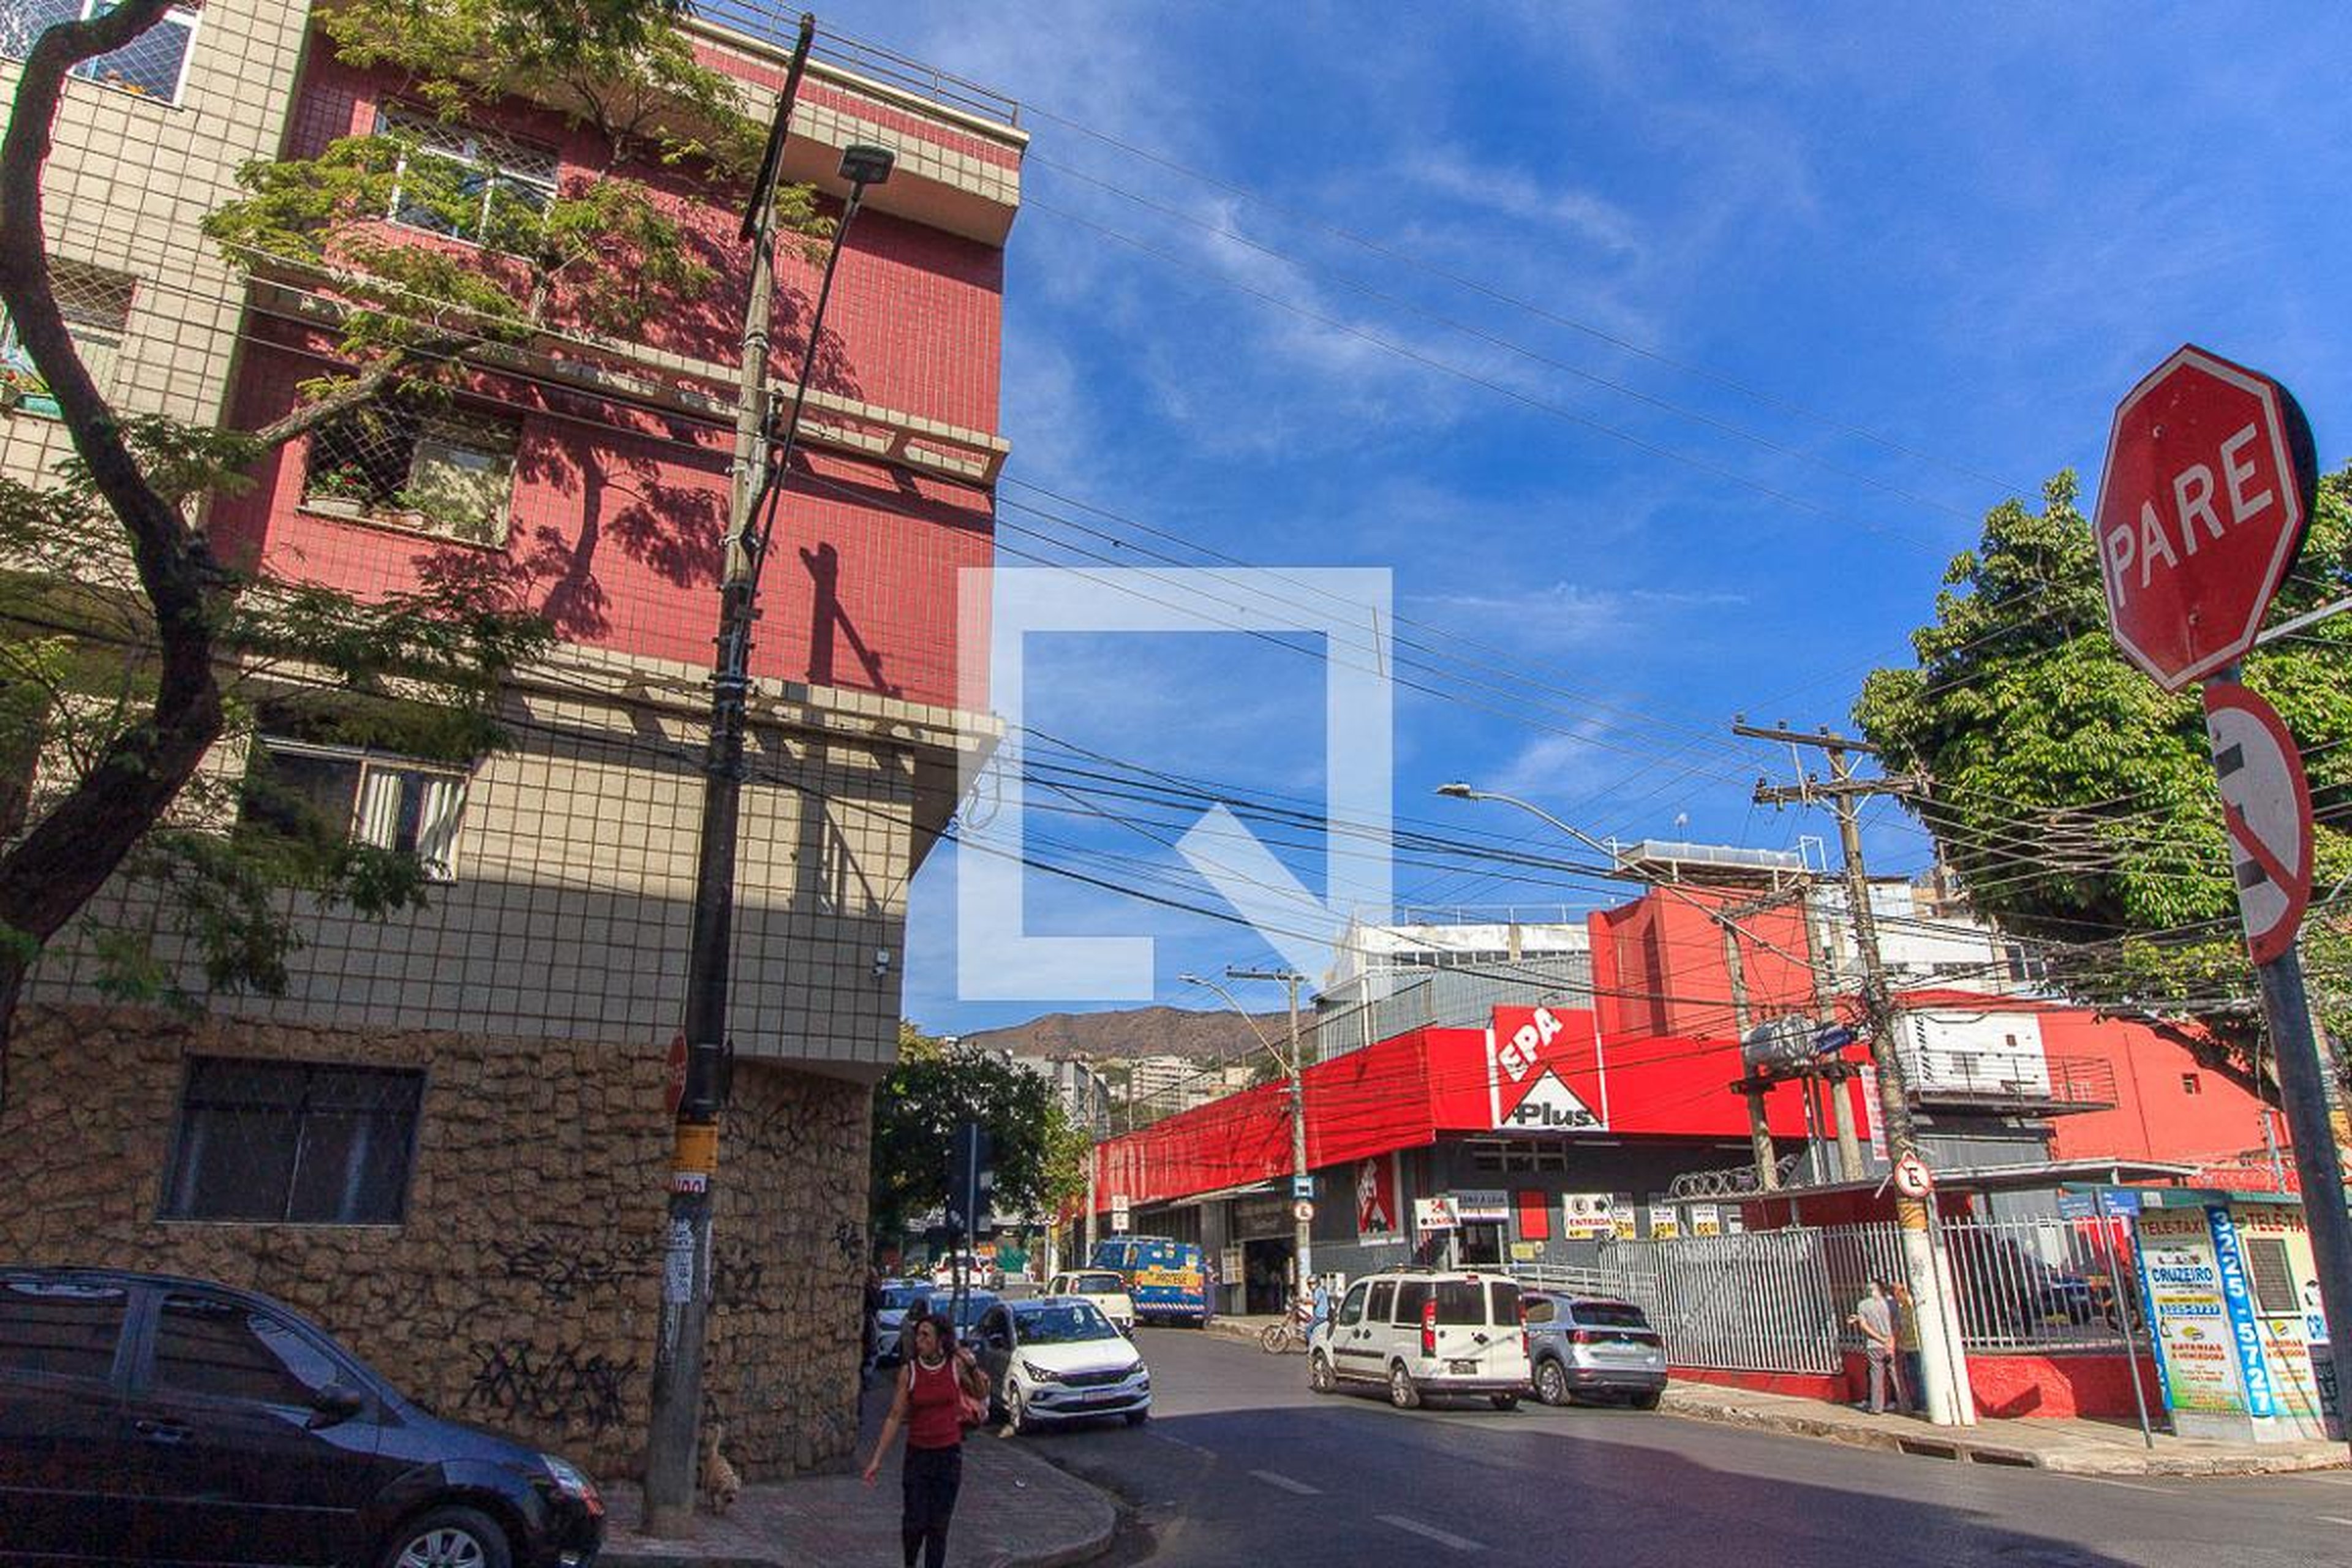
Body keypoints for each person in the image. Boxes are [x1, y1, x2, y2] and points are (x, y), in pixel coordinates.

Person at [863, 1314, 989, 1568]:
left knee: (938, 1526)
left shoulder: (955, 1366)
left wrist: (973, 1368)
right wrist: (876, 1459)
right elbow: (894, 1416)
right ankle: (910, 1562)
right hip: (918, 1456)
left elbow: (981, 1393)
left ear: (940, 1340)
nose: (919, 1341)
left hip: (948, 1456)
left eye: (926, 1336)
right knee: (915, 1523)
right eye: (918, 1335)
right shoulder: (909, 1372)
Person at [1849, 1280, 1898, 1414]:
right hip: (1891, 1343)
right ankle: (1904, 1405)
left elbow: (1865, 1327)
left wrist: (1881, 1339)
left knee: (1876, 1377)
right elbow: (1896, 1325)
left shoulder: (1863, 1305)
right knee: (1896, 1375)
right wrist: (1890, 1341)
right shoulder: (1891, 1303)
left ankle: (1877, 1407)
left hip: (1874, 1345)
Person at [1890, 1280, 1923, 1415]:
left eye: (1897, 1292)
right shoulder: (1902, 1307)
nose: (1895, 1296)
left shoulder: (1914, 1306)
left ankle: (1923, 1405)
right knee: (1913, 1377)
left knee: (1920, 1377)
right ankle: (1917, 1404)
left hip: (1918, 1346)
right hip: (1907, 1346)